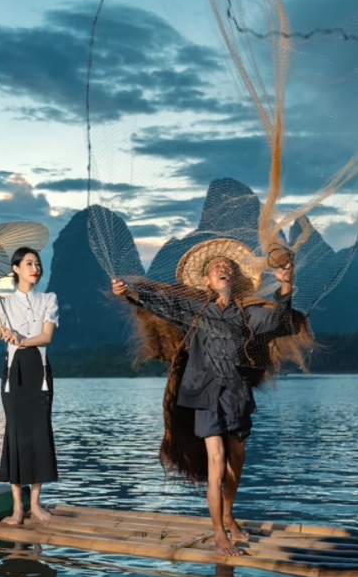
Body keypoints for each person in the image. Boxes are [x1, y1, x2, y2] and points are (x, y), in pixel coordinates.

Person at [112, 238, 307, 556]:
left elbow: (279, 323)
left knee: (237, 461)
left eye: (228, 266)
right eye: (216, 267)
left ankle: (228, 516)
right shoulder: (195, 309)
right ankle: (219, 533)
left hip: (237, 394)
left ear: (236, 279)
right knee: (216, 463)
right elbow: (160, 303)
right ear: (207, 280)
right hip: (204, 395)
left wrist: (285, 288)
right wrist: (131, 294)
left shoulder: (248, 315)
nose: (222, 268)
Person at [0, 246, 58, 525]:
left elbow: (46, 337)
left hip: (40, 373)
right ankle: (16, 508)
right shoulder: (3, 303)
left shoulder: (49, 299)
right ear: (15, 269)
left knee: (38, 435)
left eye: (37, 263)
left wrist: (21, 340)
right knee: (15, 436)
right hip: (14, 376)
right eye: (28, 263)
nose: (35, 268)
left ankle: (35, 505)